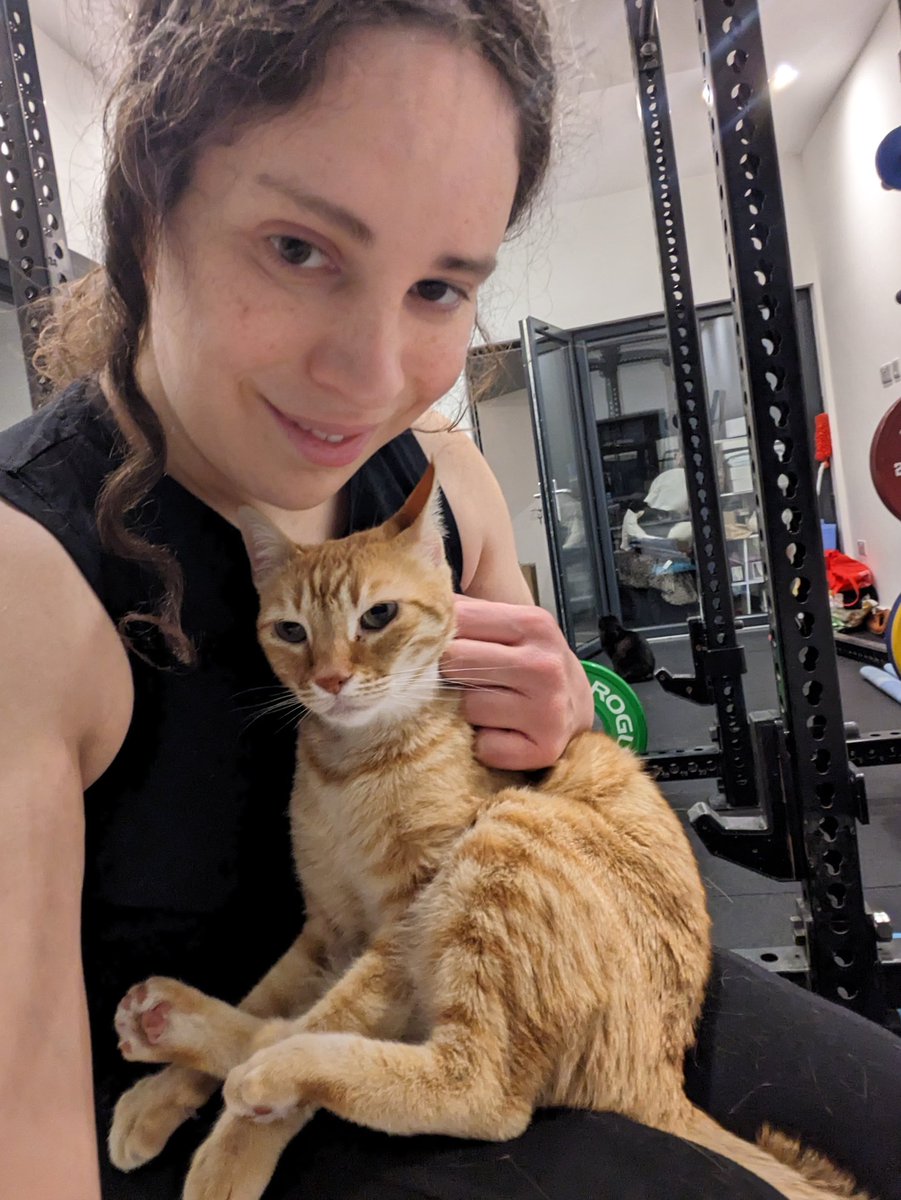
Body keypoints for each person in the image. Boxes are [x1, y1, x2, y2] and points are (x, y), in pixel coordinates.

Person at [0, 3, 899, 1198]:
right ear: (144, 213)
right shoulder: (30, 581)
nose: (371, 377)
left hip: (514, 964)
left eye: (436, 286)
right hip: (246, 1092)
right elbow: (22, 1124)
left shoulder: (447, 485)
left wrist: (564, 718)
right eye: (298, 248)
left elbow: (553, 766)